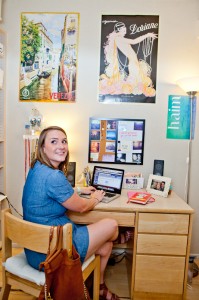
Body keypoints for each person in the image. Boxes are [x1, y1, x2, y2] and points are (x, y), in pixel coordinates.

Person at [22, 125, 120, 300]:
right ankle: (119, 236)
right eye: (54, 142)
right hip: (55, 253)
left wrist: (77, 189)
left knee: (106, 246)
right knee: (112, 225)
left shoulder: (37, 168)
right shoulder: (54, 176)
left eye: (64, 141)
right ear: (43, 147)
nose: (61, 146)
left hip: (35, 250)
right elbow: (82, 207)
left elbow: (52, 191)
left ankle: (99, 287)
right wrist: (96, 198)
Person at [99, 22, 158, 97]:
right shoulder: (118, 39)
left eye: (125, 29)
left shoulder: (119, 39)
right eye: (123, 30)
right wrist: (147, 35)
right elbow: (134, 41)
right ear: (119, 30)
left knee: (137, 80)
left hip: (134, 62)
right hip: (133, 62)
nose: (125, 30)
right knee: (136, 81)